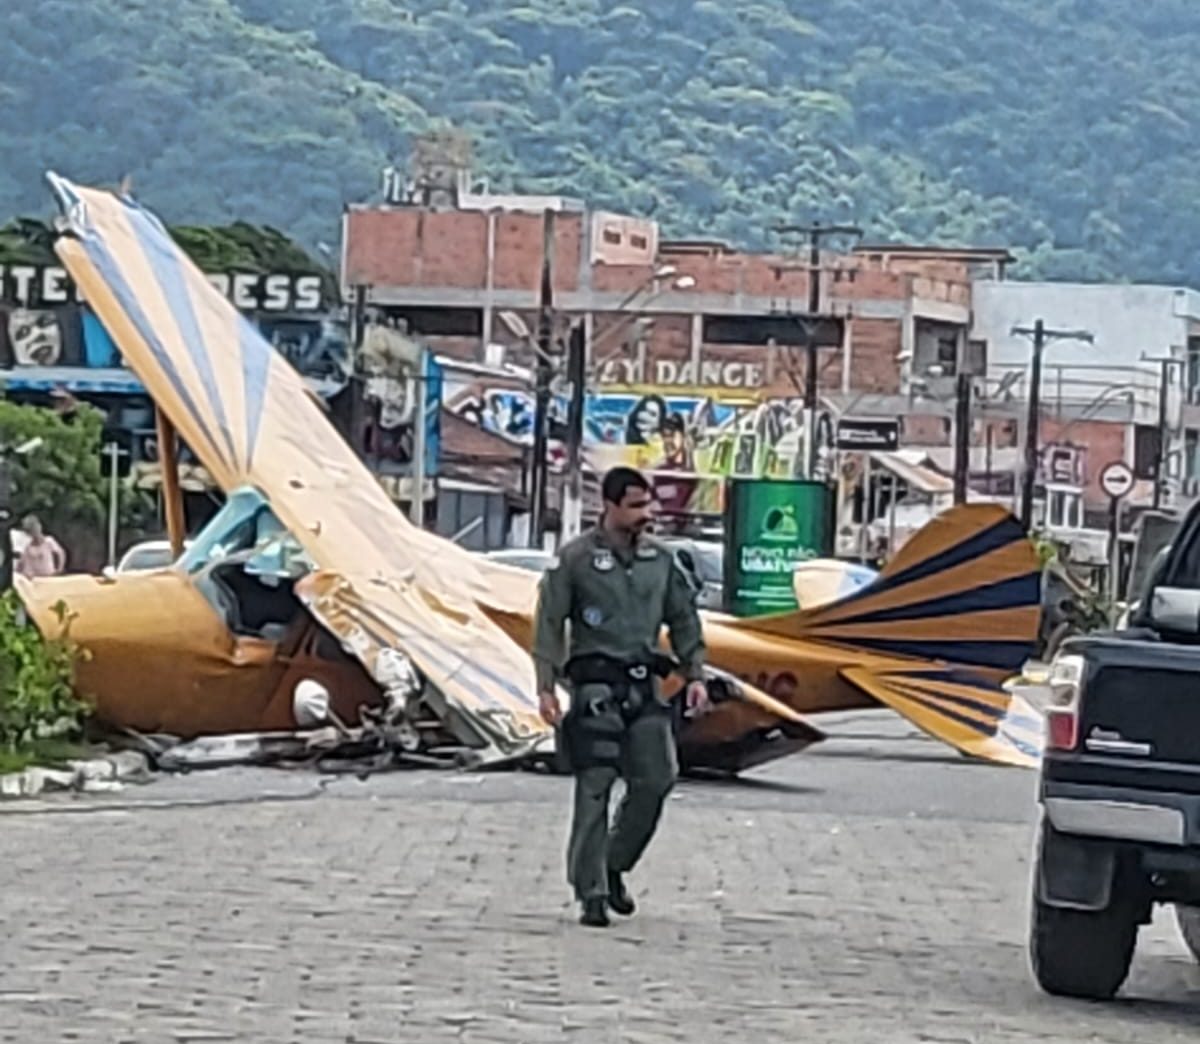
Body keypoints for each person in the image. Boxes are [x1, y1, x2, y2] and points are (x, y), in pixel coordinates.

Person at [532, 466, 709, 928]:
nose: (644, 515)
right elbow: (549, 623)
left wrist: (695, 674)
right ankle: (589, 890)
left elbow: (685, 619)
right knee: (594, 787)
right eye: (634, 506)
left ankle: (613, 865)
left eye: (647, 505)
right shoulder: (575, 560)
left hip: (644, 684)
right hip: (595, 687)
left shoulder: (661, 560)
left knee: (658, 778)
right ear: (608, 506)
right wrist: (545, 685)